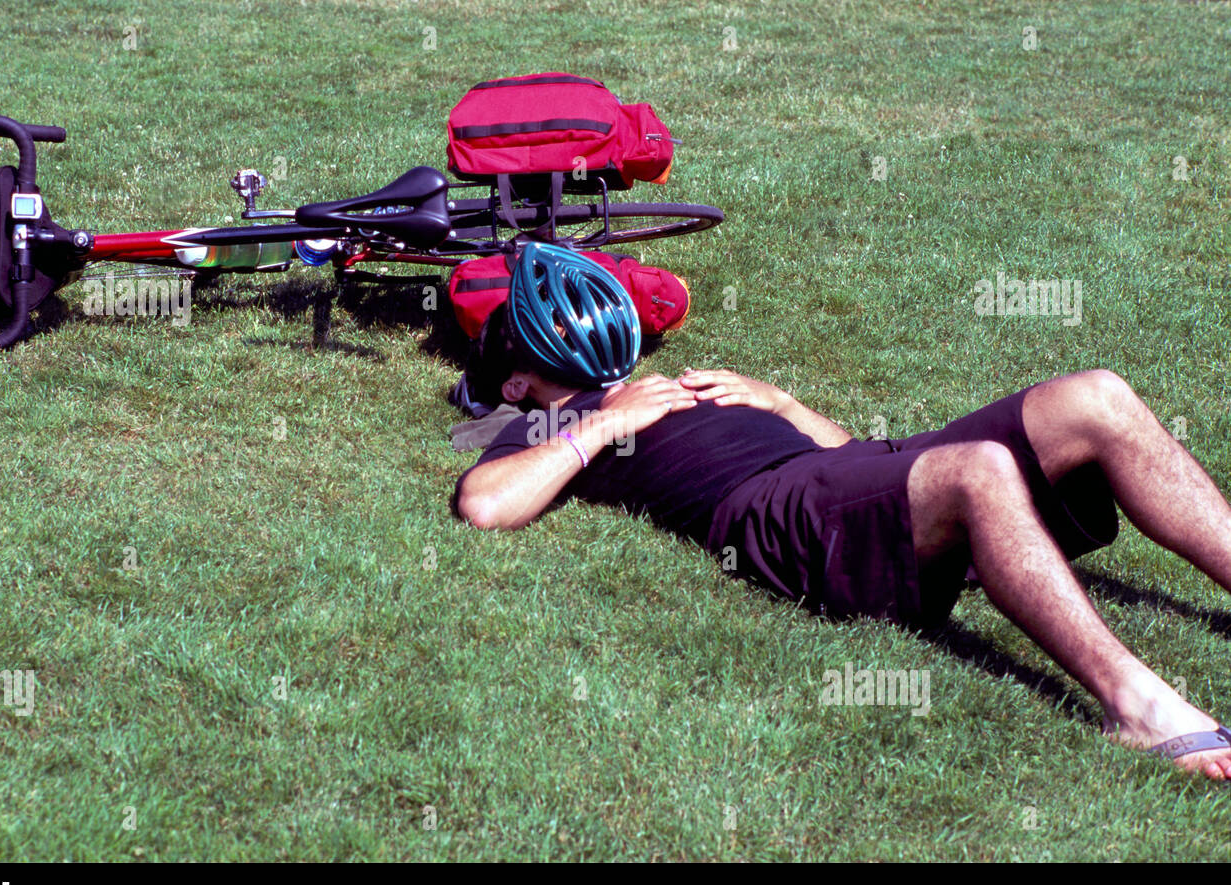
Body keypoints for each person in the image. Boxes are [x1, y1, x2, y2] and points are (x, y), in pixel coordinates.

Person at [453, 243, 1231, 779]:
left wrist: (784, 402)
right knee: (980, 470)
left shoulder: (667, 383)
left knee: (1096, 396)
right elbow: (485, 506)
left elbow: (858, 453)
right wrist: (604, 425)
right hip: (768, 513)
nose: (568, 327)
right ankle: (1136, 706)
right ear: (518, 382)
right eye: (546, 330)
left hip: (840, 471)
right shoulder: (539, 425)